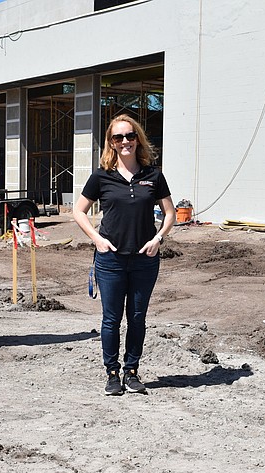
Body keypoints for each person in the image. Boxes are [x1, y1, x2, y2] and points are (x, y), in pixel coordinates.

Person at [73, 114, 175, 395]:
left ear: (137, 138)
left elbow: (170, 214)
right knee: (111, 319)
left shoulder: (152, 175)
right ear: (111, 143)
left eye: (130, 136)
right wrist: (97, 239)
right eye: (118, 137)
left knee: (138, 317)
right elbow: (78, 211)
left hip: (145, 260)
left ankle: (132, 371)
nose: (125, 141)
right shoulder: (101, 176)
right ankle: (112, 373)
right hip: (111, 260)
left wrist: (158, 238)